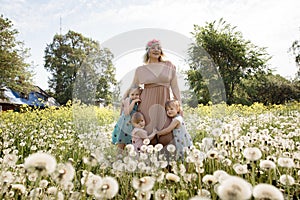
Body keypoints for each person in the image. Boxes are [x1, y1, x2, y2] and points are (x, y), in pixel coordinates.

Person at [129, 39, 182, 146]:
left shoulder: (169, 65)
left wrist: (180, 105)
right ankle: (149, 162)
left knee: (167, 137)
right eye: (153, 47)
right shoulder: (140, 70)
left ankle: (168, 162)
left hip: (165, 104)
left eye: (158, 48)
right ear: (147, 51)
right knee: (149, 138)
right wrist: (125, 99)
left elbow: (175, 86)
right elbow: (133, 86)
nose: (156, 50)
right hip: (146, 104)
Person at [111, 86, 142, 150]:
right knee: (121, 144)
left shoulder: (137, 103)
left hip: (130, 126)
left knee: (130, 146)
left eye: (137, 94)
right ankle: (118, 158)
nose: (134, 96)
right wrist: (133, 102)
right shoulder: (127, 100)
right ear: (129, 95)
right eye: (132, 94)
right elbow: (127, 112)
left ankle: (126, 159)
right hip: (124, 125)